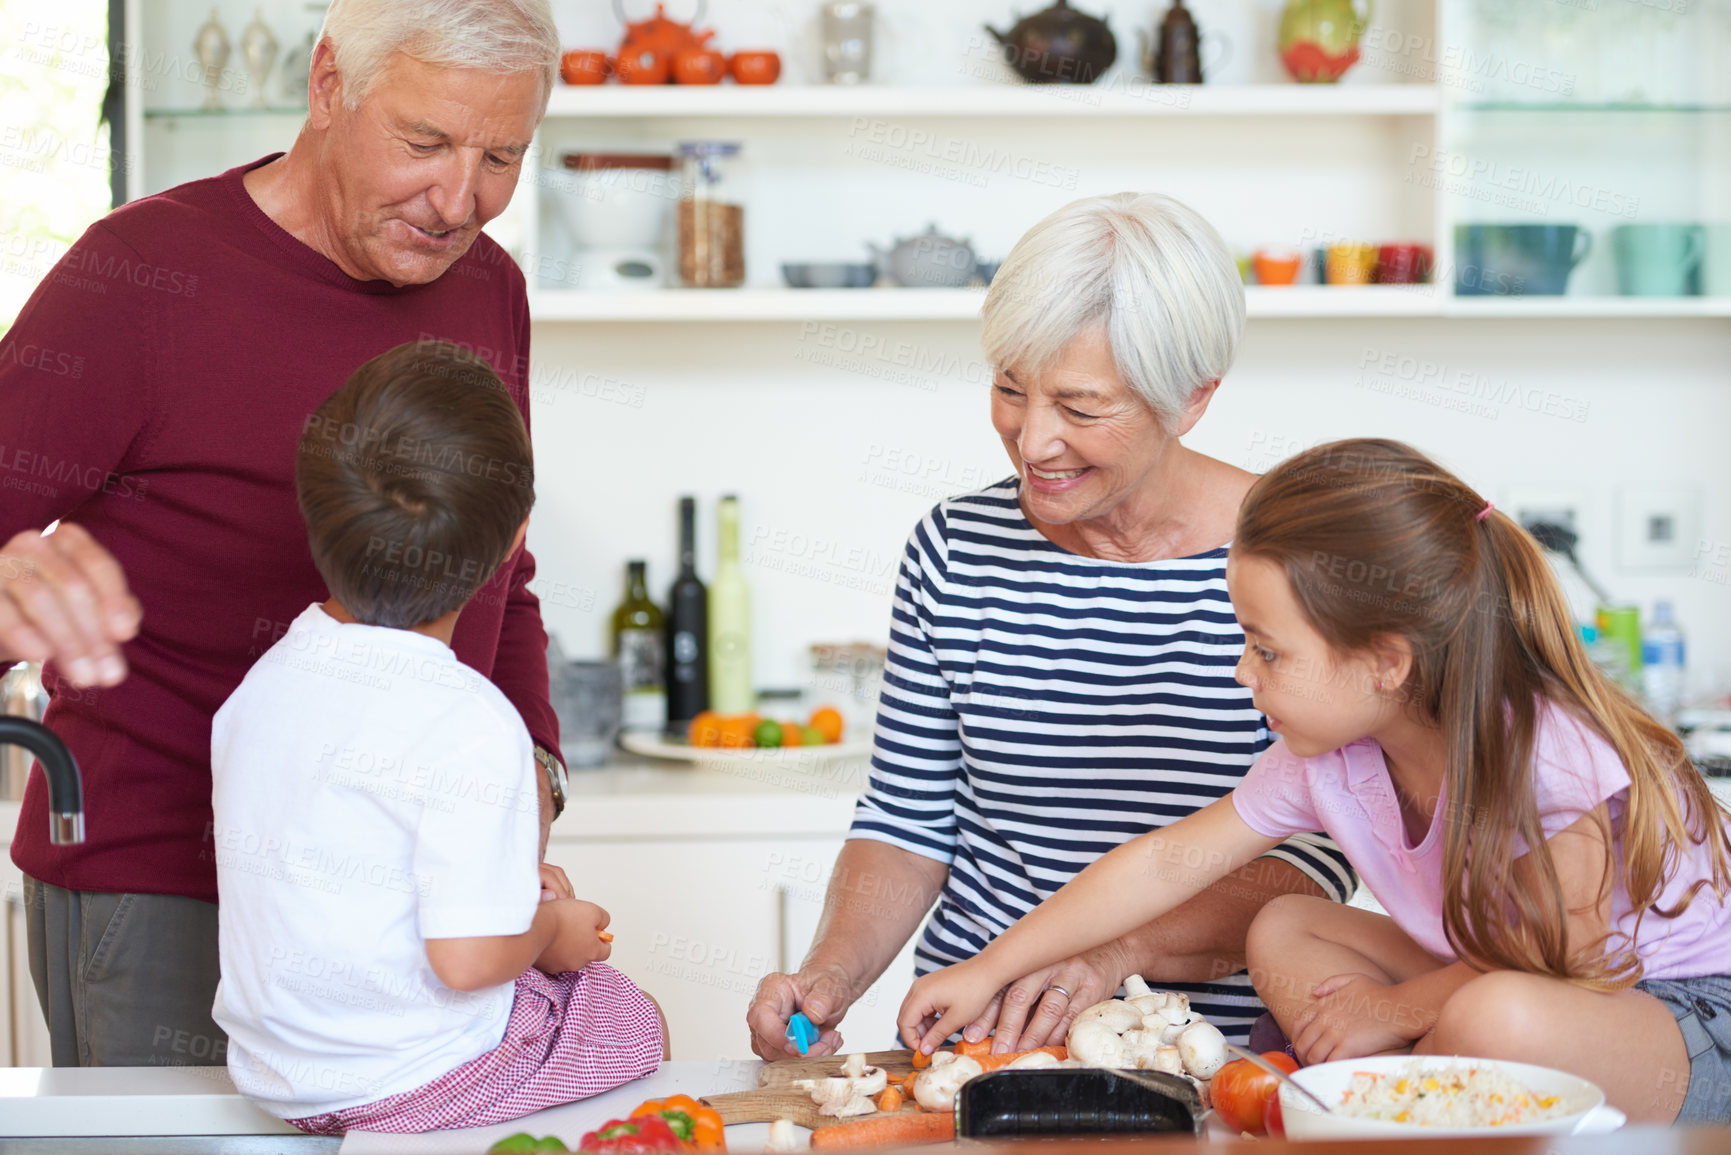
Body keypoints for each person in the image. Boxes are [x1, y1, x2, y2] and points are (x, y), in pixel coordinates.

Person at [0, 0, 572, 1067]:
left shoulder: (489, 286)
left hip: (418, 901)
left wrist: (535, 771)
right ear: (327, 87)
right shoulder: (137, 280)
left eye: (502, 156)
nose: (461, 202)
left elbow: (505, 571)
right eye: (425, 144)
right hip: (169, 891)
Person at [899, 439, 1731, 1125]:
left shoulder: (1551, 749)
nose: (1239, 671)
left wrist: (1395, 1009)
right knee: (1284, 922)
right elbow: (1163, 862)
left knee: (1492, 1015)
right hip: (1491, 973)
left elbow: (1562, 960)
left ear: (1384, 662)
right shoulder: (1328, 752)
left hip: (1667, 1006)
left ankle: (1401, 1068)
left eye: (1266, 649)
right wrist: (986, 966)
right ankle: (1399, 1082)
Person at [747, 193, 1355, 1061]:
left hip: (1215, 1053)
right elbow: (907, 818)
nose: (1032, 440)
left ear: (1190, 399)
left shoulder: (1298, 562)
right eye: (1009, 388)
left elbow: (1316, 859)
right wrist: (831, 975)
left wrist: (1113, 955)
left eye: (1079, 406)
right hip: (977, 1042)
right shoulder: (956, 547)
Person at [213, 341, 663, 1134]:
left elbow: (351, 875)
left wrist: (507, 890)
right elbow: (468, 960)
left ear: (315, 512)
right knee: (633, 1016)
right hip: (414, 1079)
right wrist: (552, 929)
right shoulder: (471, 718)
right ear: (513, 541)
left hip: (280, 1074)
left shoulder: (262, 687)